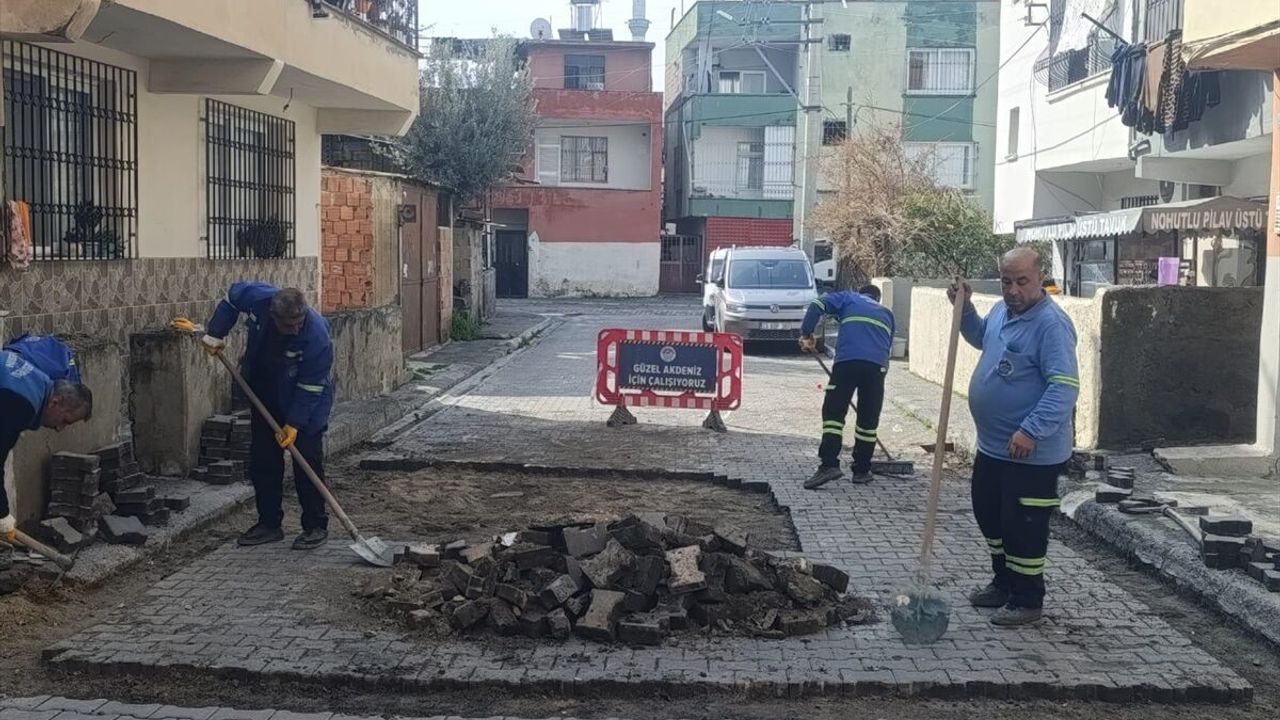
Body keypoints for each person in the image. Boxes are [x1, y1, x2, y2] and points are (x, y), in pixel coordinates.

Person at [948, 248, 1080, 627]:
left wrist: (1030, 430)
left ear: (1040, 278)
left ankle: (1027, 599)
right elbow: (981, 337)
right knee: (990, 516)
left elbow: (1064, 386)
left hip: (1031, 453)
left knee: (1023, 526)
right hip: (993, 447)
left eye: (1022, 281)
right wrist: (965, 310)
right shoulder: (1002, 312)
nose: (1013, 290)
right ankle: (1003, 583)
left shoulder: (1051, 326)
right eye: (1006, 282)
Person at [202, 283, 335, 550]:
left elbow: (310, 386)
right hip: (264, 391)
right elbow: (232, 298)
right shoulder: (258, 298)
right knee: (263, 459)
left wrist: (294, 424)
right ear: (274, 317)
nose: (295, 329)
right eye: (289, 325)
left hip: (306, 402)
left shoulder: (316, 336)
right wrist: (215, 333)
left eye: (299, 323)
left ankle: (315, 526)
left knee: (307, 462)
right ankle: (269, 524)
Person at [798, 284, 895, 488]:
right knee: (868, 420)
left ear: (861, 293)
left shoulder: (849, 298)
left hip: (847, 362)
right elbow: (887, 349)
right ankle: (862, 470)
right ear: (877, 299)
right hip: (877, 367)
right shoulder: (887, 313)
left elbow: (816, 305)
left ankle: (829, 465)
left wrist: (806, 334)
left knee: (833, 414)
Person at [0, 342, 94, 543]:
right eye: (65, 421)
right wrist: (3, 516)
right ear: (55, 402)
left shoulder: (39, 380)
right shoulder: (22, 403)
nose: (60, 428)